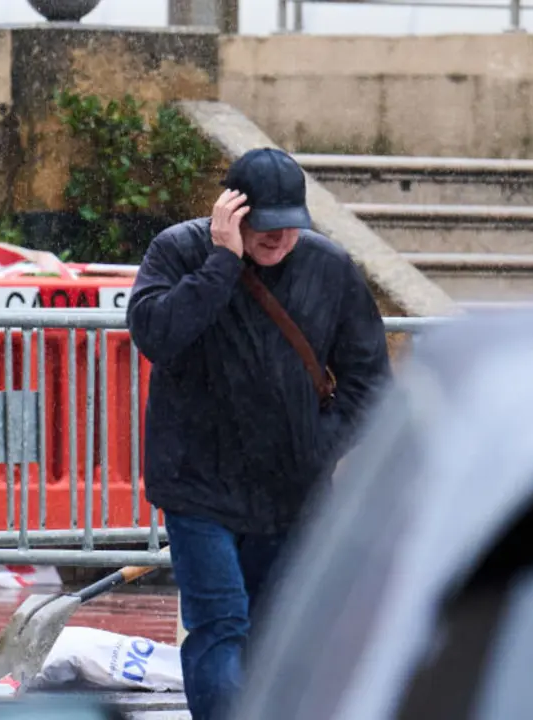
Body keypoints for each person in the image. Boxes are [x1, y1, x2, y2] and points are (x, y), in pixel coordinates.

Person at [125, 148, 392, 720]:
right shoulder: (177, 251)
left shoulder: (329, 267)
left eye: (290, 226)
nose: (278, 241)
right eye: (264, 228)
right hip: (198, 485)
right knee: (221, 625)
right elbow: (158, 337)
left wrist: (320, 444)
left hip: (291, 489)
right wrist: (221, 264)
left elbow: (370, 378)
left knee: (278, 634)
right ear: (229, 212)